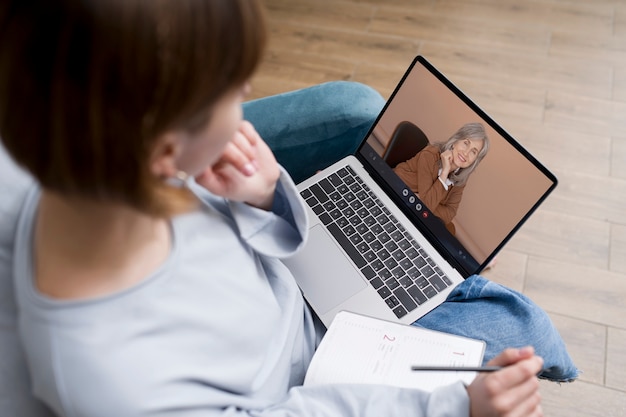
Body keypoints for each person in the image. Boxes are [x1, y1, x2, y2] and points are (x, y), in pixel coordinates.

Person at [0, 1, 569, 416]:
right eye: (233, 90)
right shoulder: (117, 383)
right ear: (165, 144)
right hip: (307, 385)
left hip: (296, 300)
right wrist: (450, 408)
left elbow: (244, 251)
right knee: (524, 334)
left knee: (477, 301)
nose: (250, 87)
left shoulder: (104, 171)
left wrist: (262, 194)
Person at [394, 122, 489, 235]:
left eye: (473, 152)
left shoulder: (461, 178)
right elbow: (424, 206)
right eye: (465, 143)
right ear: (455, 141)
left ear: (475, 160)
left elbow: (450, 214)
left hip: (413, 212)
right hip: (395, 191)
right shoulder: (430, 155)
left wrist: (423, 200)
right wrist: (444, 173)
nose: (466, 152)